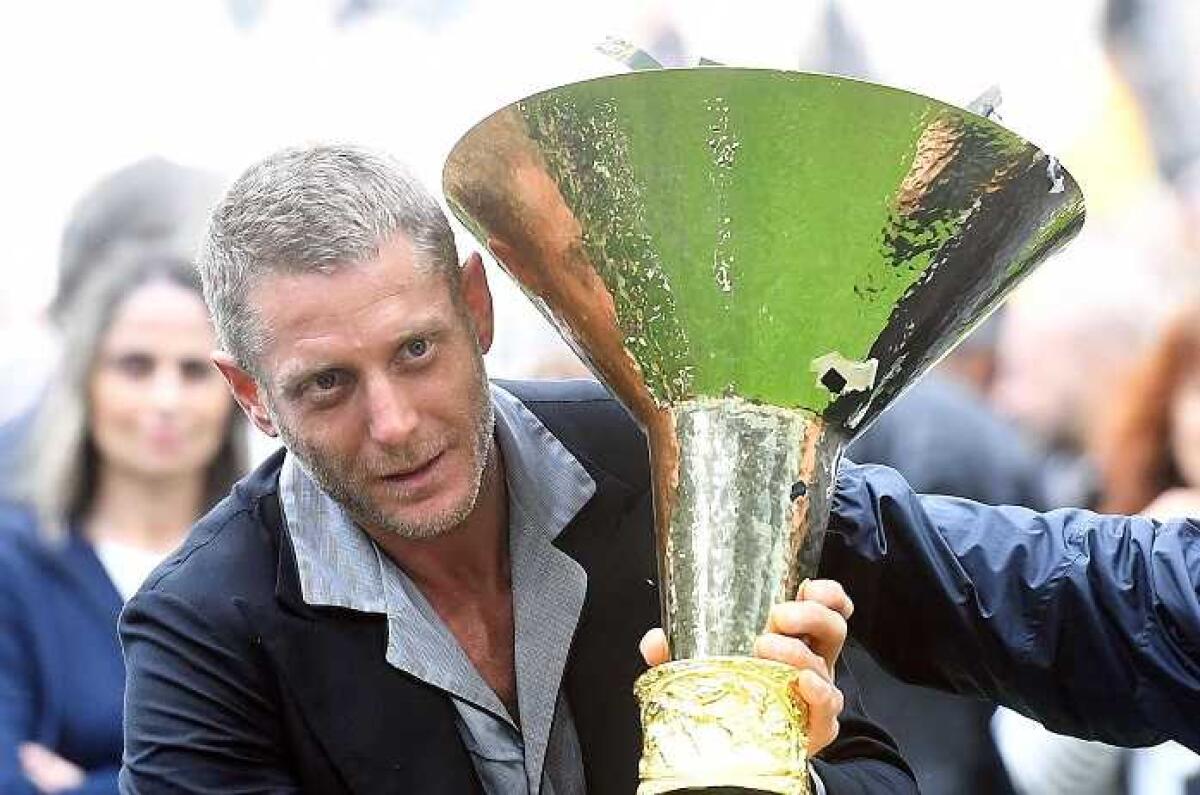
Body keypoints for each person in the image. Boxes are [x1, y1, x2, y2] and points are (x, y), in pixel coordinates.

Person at [118, 145, 917, 794]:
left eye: (417, 350)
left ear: (479, 306)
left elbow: (877, 775)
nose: (395, 424)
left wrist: (783, 774)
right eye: (328, 383)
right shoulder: (202, 625)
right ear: (252, 395)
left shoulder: (664, 465)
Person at [0, 255, 245, 794]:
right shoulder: (14, 567)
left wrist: (82, 787)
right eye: (135, 366)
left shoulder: (276, 567)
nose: (166, 399)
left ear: (236, 390)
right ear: (84, 382)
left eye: (193, 370)